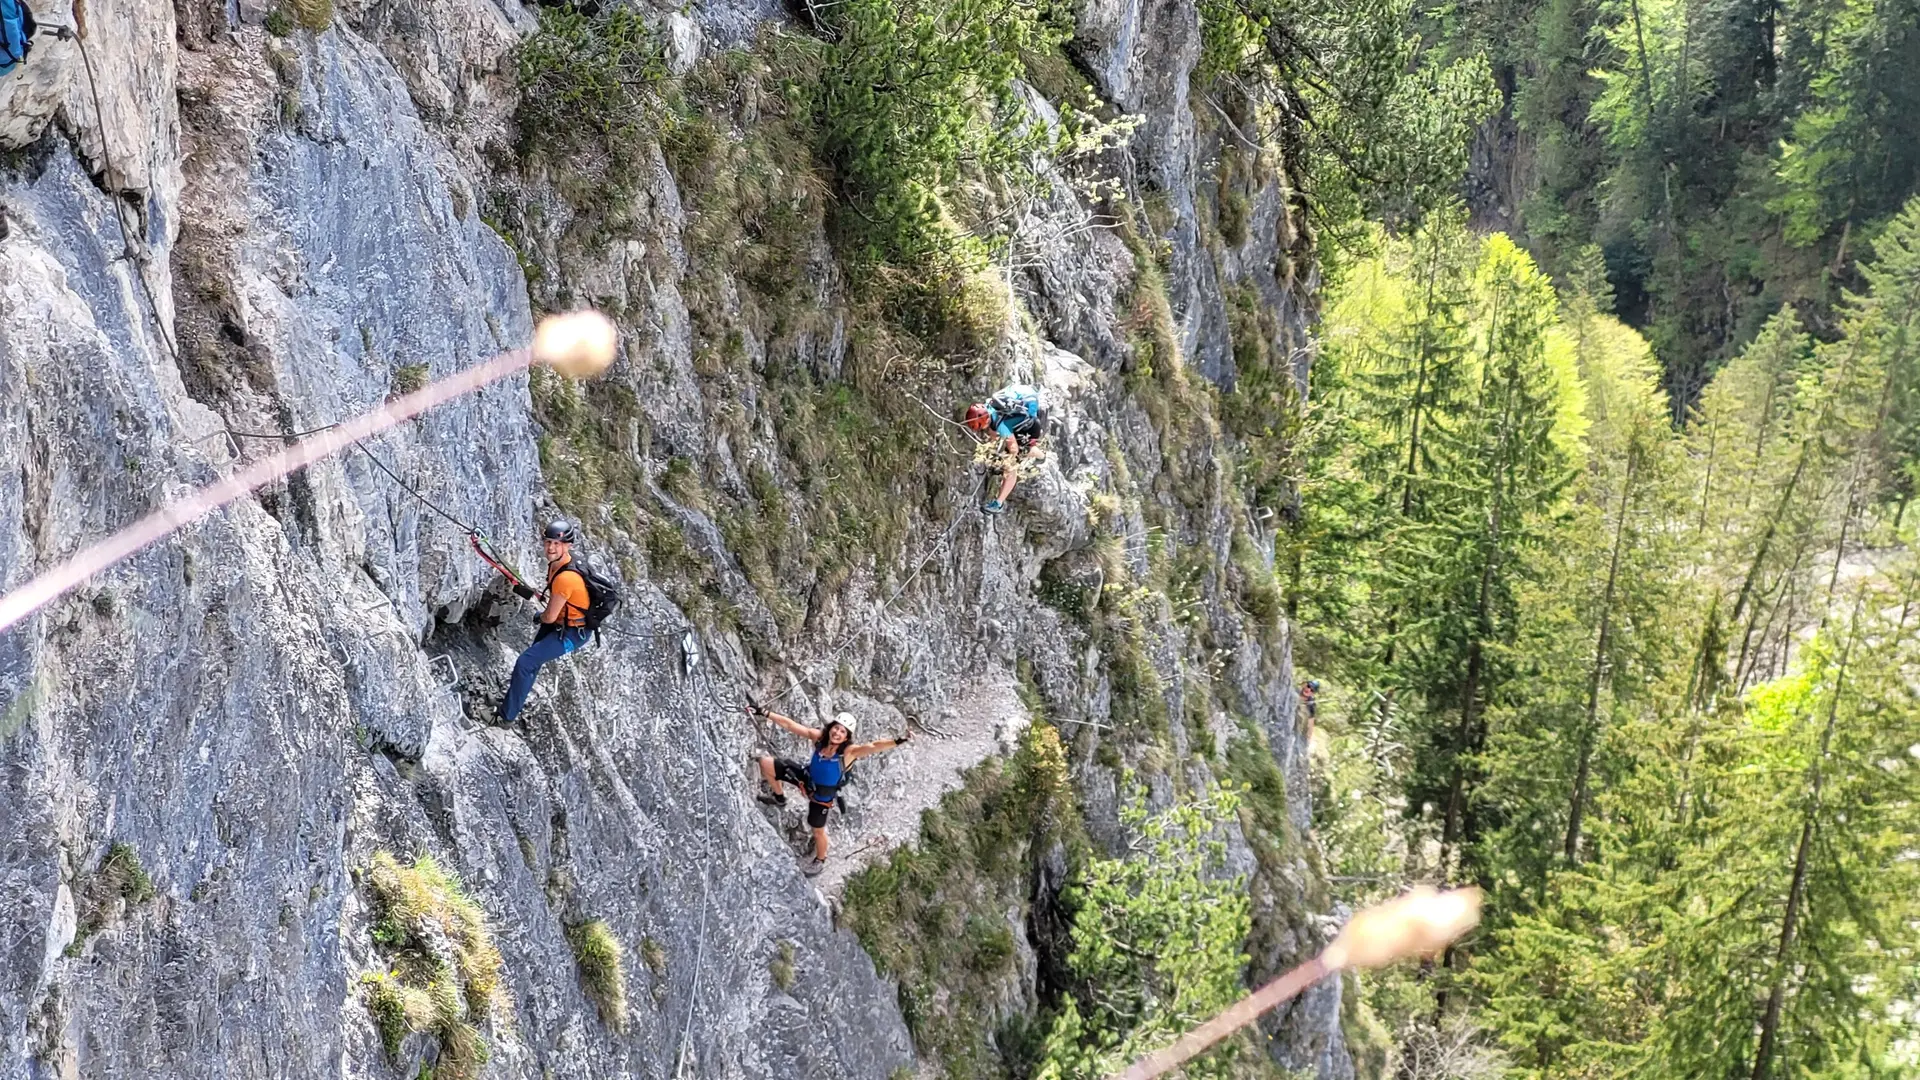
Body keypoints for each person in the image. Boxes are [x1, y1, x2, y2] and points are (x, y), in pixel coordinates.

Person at [749, 707, 911, 877]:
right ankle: (779, 797)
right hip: (806, 779)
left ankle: (820, 859)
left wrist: (898, 740)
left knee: (817, 830)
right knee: (767, 763)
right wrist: (765, 712)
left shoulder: (849, 753)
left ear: (846, 737)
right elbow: (790, 725)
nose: (837, 733)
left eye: (843, 731)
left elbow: (873, 746)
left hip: (822, 796)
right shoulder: (820, 739)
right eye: (836, 728)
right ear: (831, 727)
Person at [498, 519, 594, 724]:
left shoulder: (566, 577)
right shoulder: (560, 563)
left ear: (568, 546)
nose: (551, 548)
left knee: (526, 662)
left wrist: (540, 617)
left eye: (556, 544)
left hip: (573, 633)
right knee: (531, 662)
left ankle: (506, 717)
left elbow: (549, 615)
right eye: (548, 542)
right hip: (561, 622)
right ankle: (510, 705)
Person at [963, 383, 1049, 514]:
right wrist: (993, 452)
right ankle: (1040, 456)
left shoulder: (1001, 425)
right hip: (1028, 396)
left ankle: (998, 504)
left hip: (1030, 427)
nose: (981, 430)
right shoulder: (990, 404)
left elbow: (1013, 449)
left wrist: (1004, 461)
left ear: (985, 421)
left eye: (980, 427)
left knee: (1011, 466)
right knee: (1007, 444)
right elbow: (993, 431)